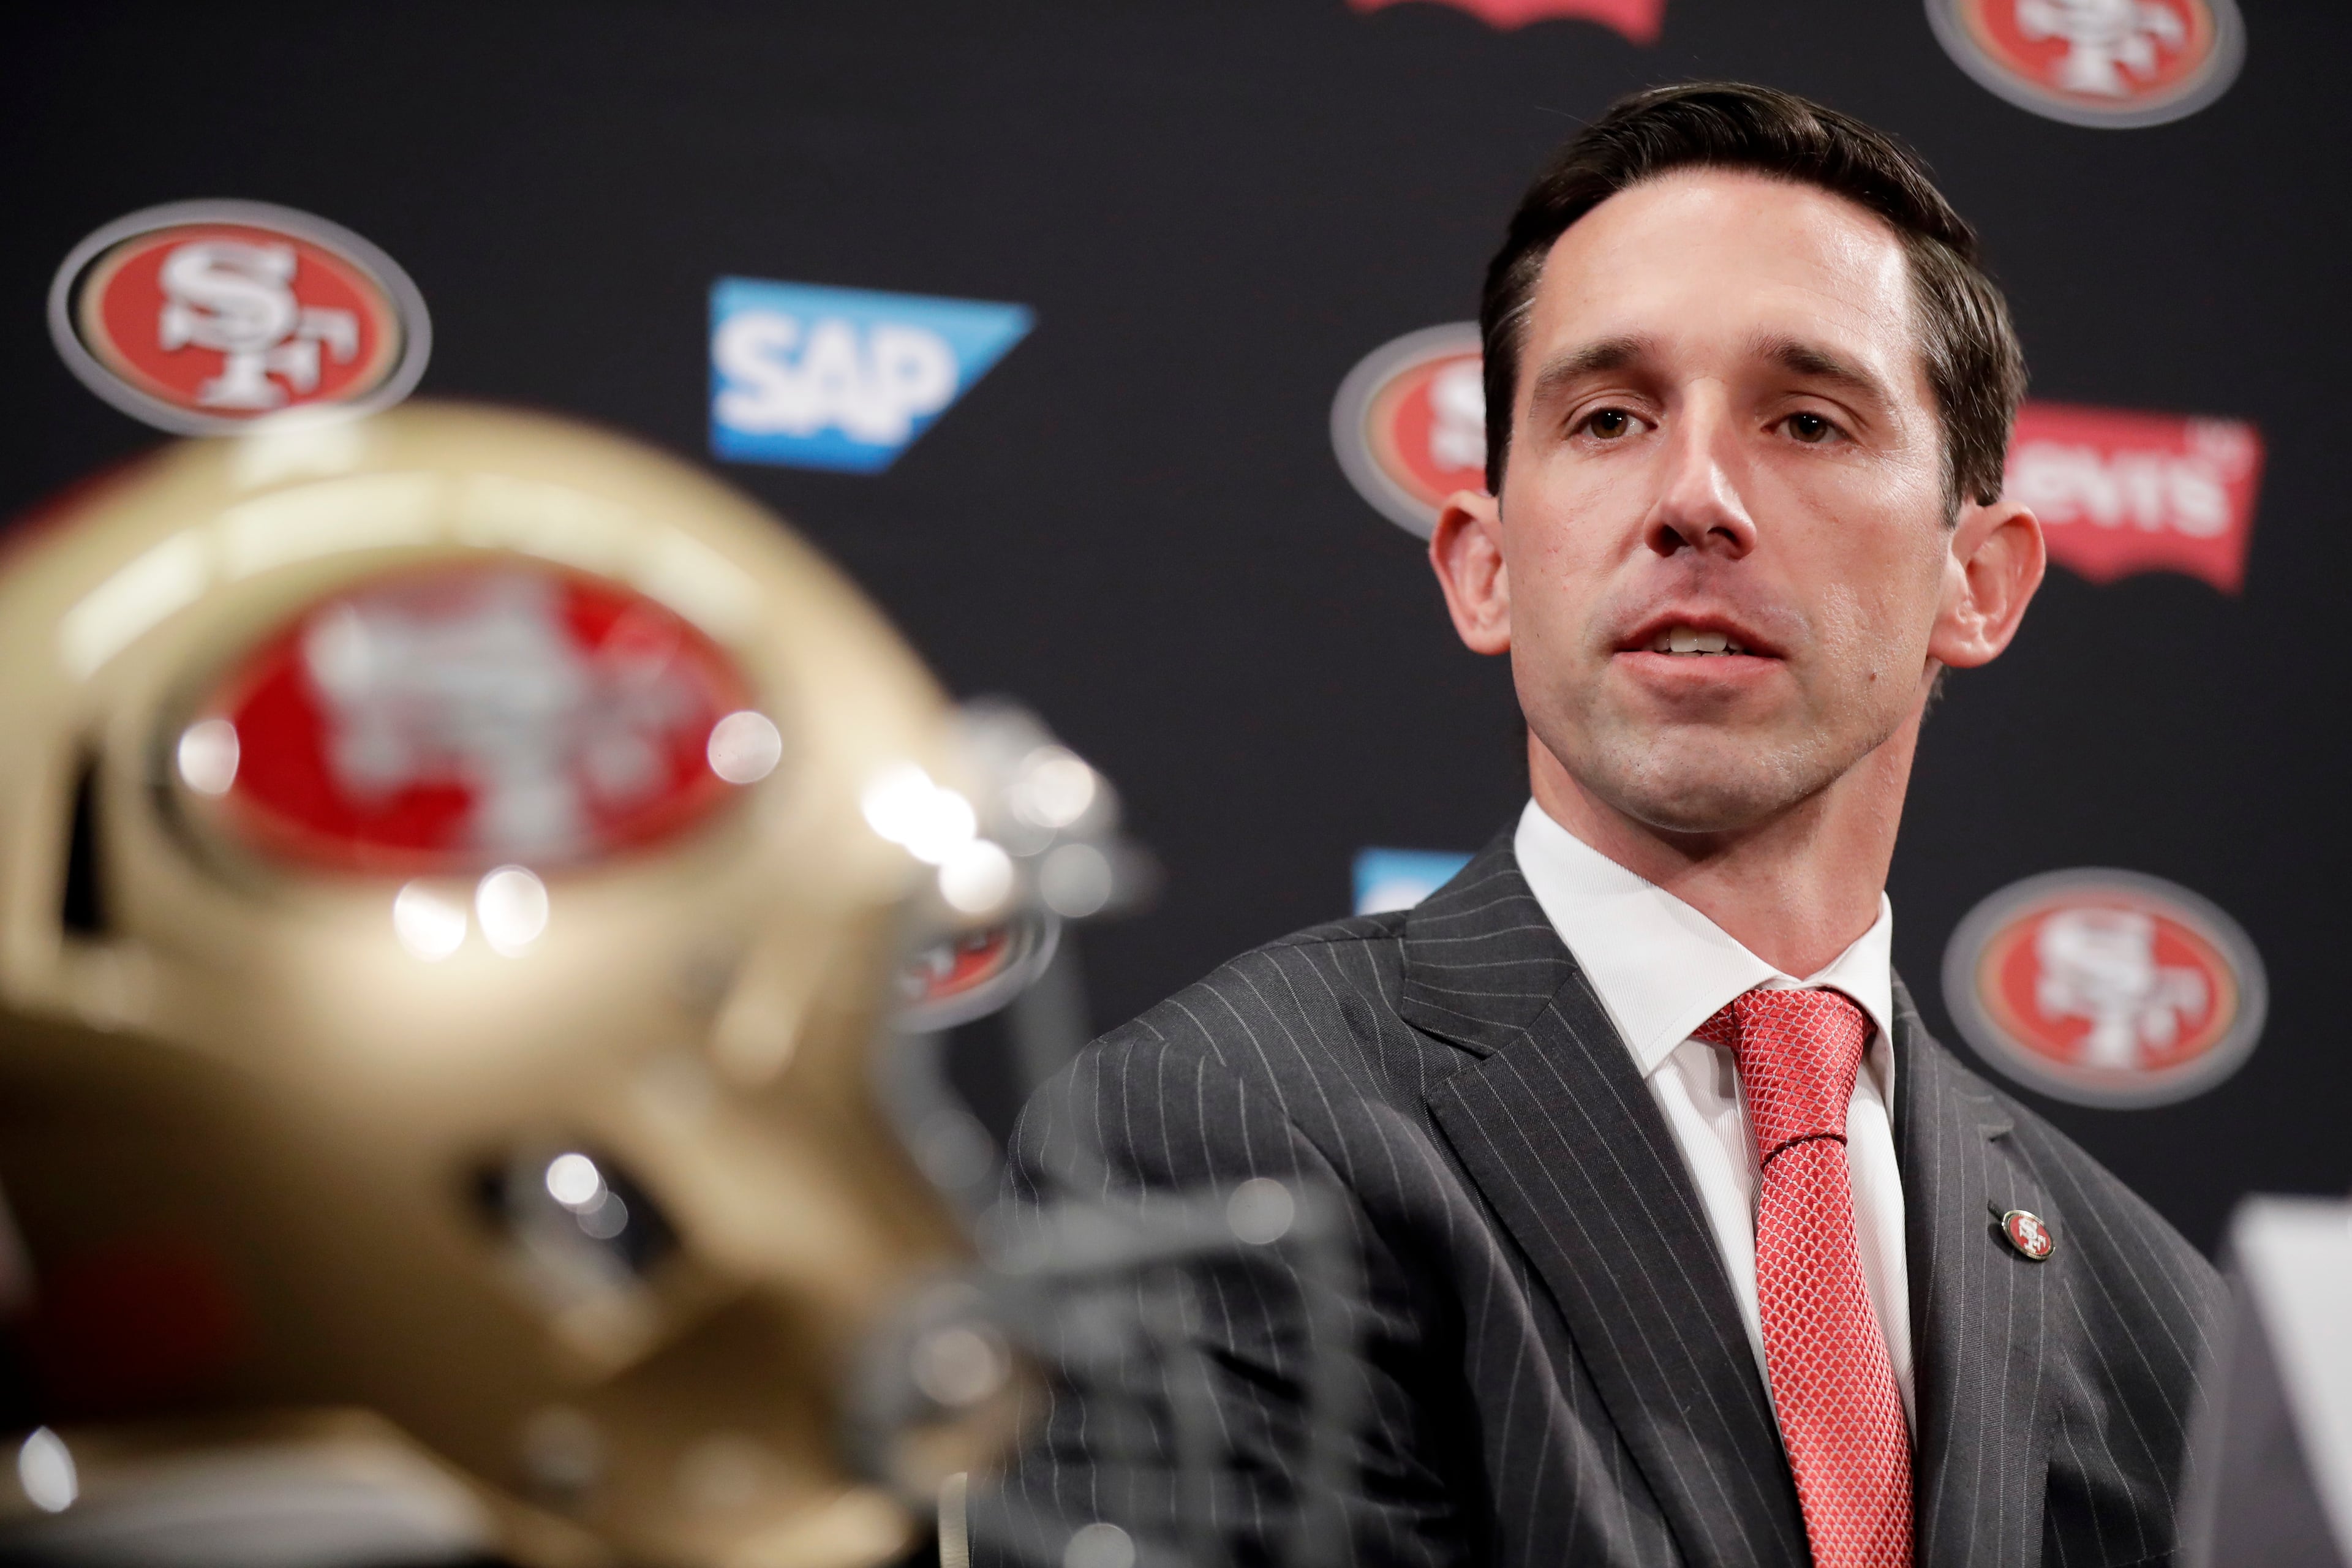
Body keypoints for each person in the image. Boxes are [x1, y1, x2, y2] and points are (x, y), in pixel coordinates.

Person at [973, 83, 2222, 1568]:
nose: (1695, 497)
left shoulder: (2161, 1317)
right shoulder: (1215, 1137)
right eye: (1610, 418)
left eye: (1807, 419)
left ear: (1981, 580)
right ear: (1486, 564)